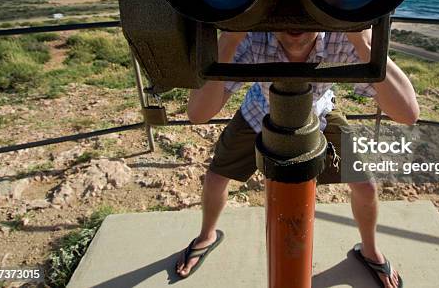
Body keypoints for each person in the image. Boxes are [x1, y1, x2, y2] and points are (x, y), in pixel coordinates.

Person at [175, 29, 419, 288]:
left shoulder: (340, 36)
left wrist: (363, 41)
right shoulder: (252, 36)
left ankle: (369, 249)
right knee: (216, 178)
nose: (294, 22)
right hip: (260, 109)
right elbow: (198, 112)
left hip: (317, 111)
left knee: (365, 187)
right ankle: (207, 234)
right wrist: (229, 38)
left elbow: (407, 112)